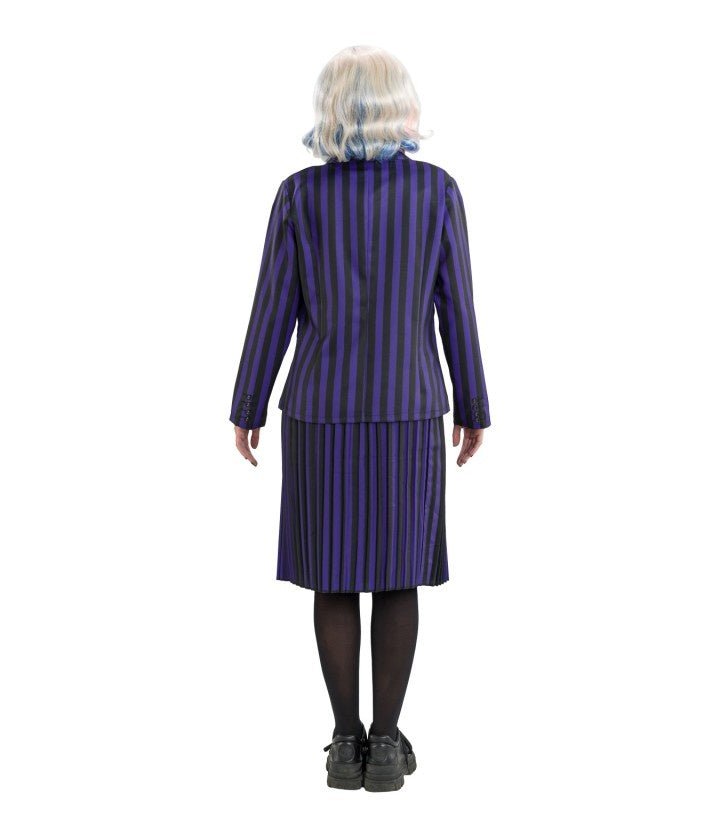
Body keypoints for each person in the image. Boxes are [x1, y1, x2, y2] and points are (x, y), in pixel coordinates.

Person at [229, 45, 492, 792]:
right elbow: (457, 308)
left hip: (321, 412)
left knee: (334, 576)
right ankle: (386, 742)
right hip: (409, 410)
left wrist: (248, 404)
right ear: (400, 105)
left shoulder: (299, 195)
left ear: (331, 107)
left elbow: (273, 309)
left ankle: (345, 743)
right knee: (398, 577)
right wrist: (473, 405)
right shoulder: (437, 192)